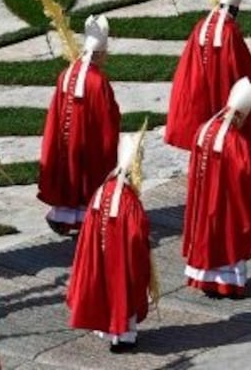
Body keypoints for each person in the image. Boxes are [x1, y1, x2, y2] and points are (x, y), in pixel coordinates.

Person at [66, 132, 153, 354]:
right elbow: (135, 235)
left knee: (107, 290)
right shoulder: (128, 199)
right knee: (124, 288)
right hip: (121, 258)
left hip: (102, 255)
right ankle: (124, 336)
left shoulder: (103, 189)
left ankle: (114, 334)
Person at [39, 15, 120, 236]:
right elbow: (107, 118)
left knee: (68, 176)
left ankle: (63, 218)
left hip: (65, 141)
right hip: (86, 143)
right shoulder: (97, 81)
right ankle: (85, 221)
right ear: (100, 54)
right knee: (86, 180)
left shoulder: (67, 74)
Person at [183, 77, 251, 298]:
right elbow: (245, 171)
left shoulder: (204, 128)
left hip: (203, 197)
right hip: (225, 201)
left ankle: (207, 282)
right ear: (238, 114)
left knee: (207, 237)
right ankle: (228, 285)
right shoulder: (233, 141)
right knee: (228, 237)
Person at [165, 0, 251, 150]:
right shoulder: (230, 31)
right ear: (236, 9)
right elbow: (241, 68)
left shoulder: (202, 25)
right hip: (222, 87)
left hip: (200, 86)